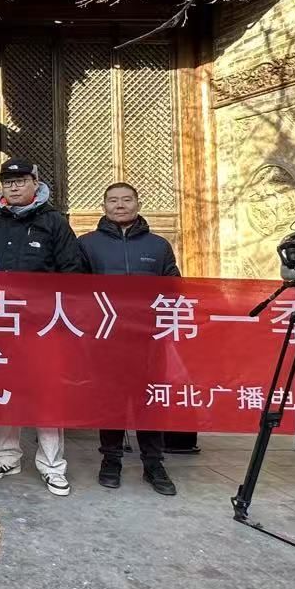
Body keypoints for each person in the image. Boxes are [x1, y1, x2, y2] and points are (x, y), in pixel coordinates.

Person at [0, 160, 88, 496]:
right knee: (3, 389)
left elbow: (73, 272)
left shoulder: (54, 222)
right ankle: (6, 456)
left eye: (20, 181)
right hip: (1, 321)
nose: (13, 187)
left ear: (35, 183)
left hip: (44, 325)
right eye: (7, 181)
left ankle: (52, 465)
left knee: (46, 393)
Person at [80, 181, 181, 496]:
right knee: (111, 401)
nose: (120, 205)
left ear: (138, 204)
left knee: (148, 401)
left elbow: (174, 286)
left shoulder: (158, 246)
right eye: (113, 200)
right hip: (106, 339)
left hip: (149, 339)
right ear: (104, 206)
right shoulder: (87, 244)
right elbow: (75, 291)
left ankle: (154, 464)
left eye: (126, 199)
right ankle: (111, 461)